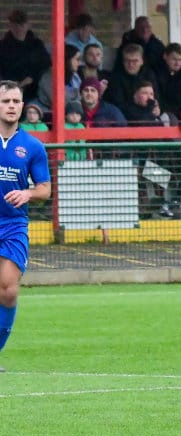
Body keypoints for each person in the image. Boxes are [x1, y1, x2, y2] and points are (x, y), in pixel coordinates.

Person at [0, 80, 52, 371]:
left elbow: (45, 188)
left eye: (16, 101)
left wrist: (27, 193)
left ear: (22, 106)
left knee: (8, 291)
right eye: (5, 101)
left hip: (13, 223)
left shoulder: (33, 146)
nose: (11, 106)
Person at [0, 10, 52, 103]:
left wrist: (32, 77)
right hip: (8, 89)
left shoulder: (36, 44)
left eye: (22, 25)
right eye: (15, 25)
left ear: (27, 25)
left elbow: (45, 64)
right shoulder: (3, 46)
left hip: (34, 91)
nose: (19, 29)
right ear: (10, 26)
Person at [104, 43, 158, 111]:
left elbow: (156, 97)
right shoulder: (116, 79)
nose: (131, 64)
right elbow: (118, 105)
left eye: (135, 61)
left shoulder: (149, 75)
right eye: (127, 61)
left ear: (142, 61)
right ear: (123, 61)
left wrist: (156, 107)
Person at [35, 45, 82, 114]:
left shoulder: (74, 76)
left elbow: (81, 97)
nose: (79, 63)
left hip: (73, 114)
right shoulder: (48, 77)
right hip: (49, 115)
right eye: (77, 59)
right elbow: (61, 102)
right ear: (67, 59)